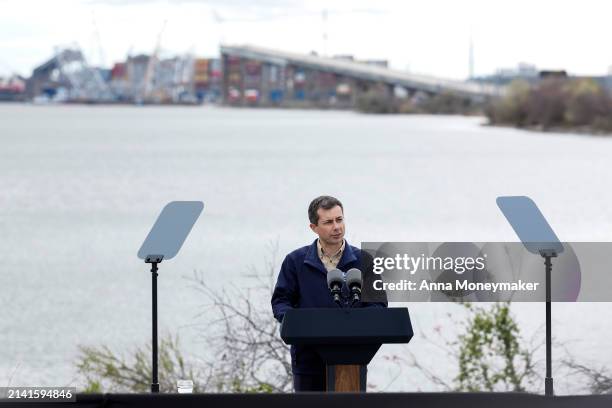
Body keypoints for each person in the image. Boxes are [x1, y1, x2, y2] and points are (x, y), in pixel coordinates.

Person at [271, 195, 387, 392]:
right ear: (314, 227)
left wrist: (358, 325)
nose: (337, 227)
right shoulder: (295, 261)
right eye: (328, 222)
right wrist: (298, 324)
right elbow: (281, 302)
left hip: (352, 360)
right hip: (308, 361)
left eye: (339, 220)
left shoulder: (364, 260)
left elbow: (378, 305)